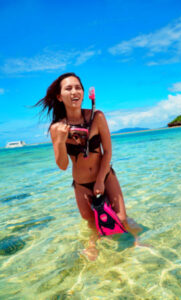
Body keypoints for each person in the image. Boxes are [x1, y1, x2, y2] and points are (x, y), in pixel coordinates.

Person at [36, 72, 141, 260]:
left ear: (84, 94)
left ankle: (136, 241)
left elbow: (107, 151)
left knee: (122, 219)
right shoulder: (56, 128)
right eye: (68, 88)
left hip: (105, 175)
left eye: (78, 87)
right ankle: (92, 246)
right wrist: (60, 141)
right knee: (92, 223)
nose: (74, 91)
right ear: (59, 97)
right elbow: (62, 165)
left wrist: (100, 180)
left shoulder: (97, 117)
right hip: (81, 184)